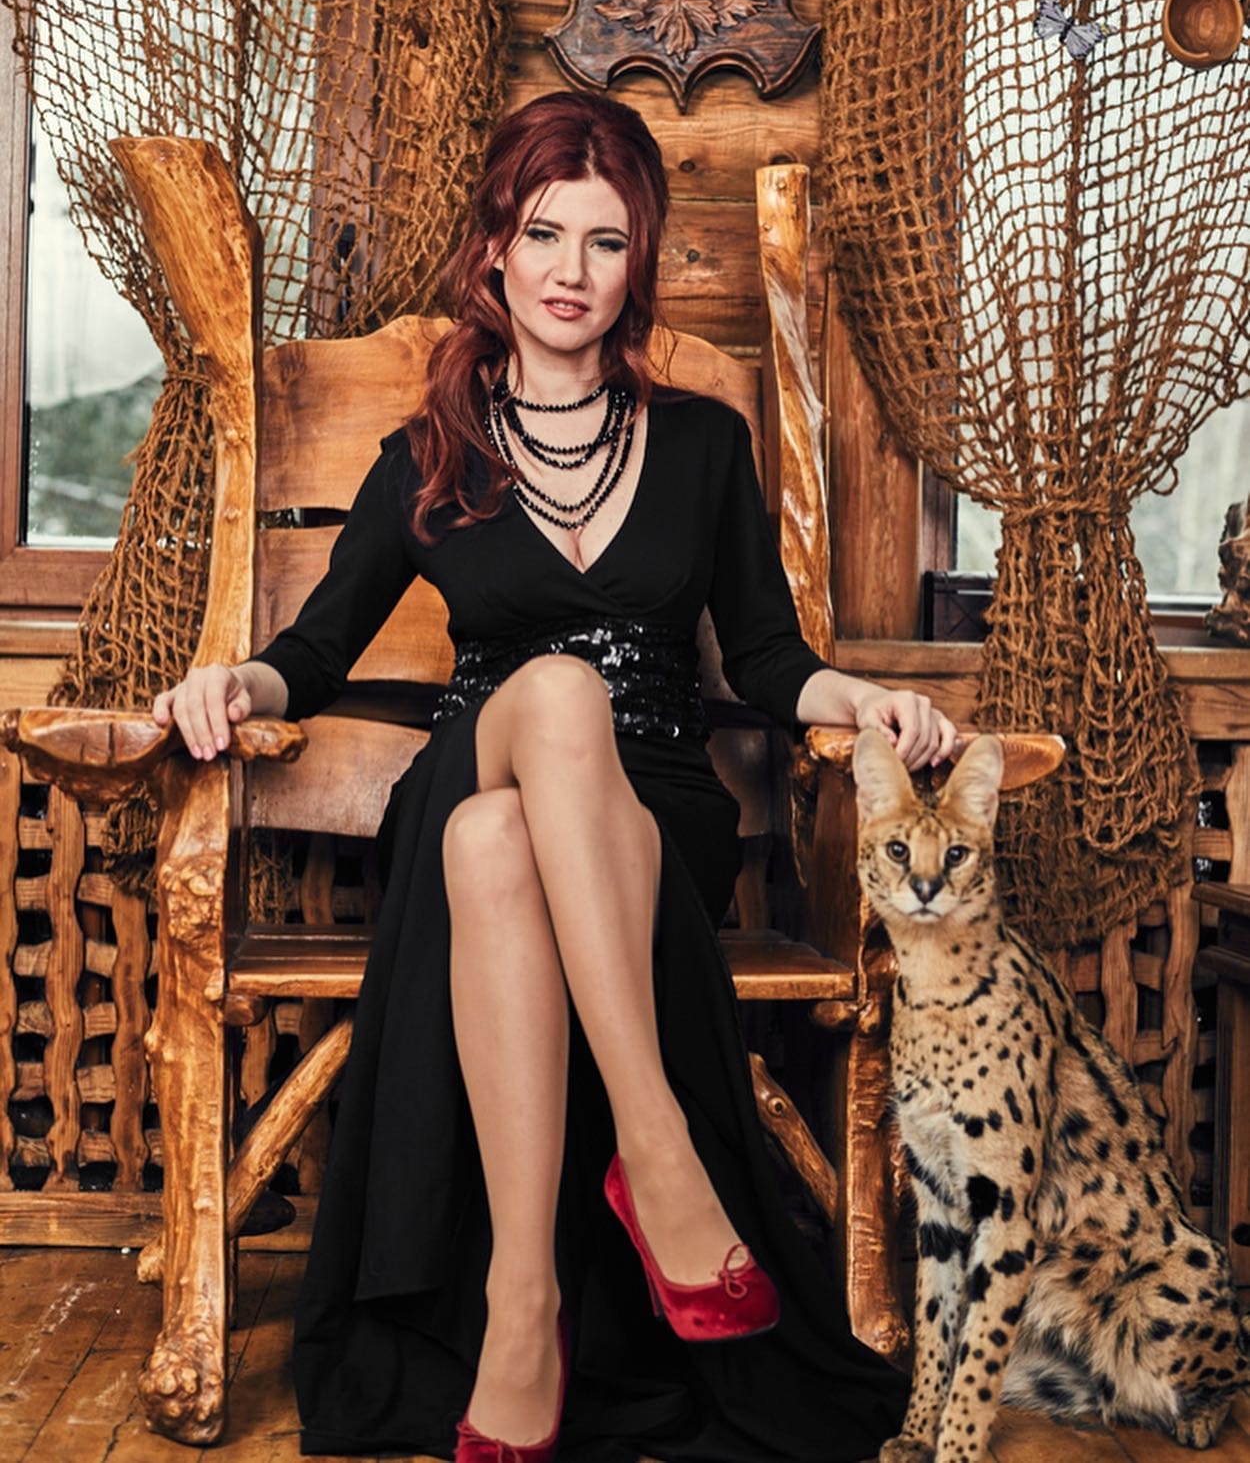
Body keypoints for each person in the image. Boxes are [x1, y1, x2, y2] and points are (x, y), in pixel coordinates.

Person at [153, 91, 958, 1463]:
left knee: (494, 846)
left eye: (604, 240)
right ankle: (658, 1150)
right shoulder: (429, 452)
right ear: (494, 252)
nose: (570, 270)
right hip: (475, 760)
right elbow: (313, 651)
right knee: (543, 713)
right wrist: (233, 686)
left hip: (648, 815)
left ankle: (522, 1303)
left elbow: (769, 657)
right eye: (543, 234)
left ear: (636, 263)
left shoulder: (702, 444)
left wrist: (867, 699)